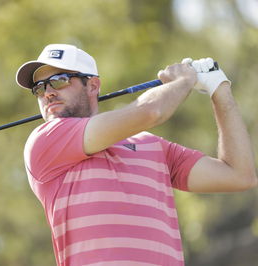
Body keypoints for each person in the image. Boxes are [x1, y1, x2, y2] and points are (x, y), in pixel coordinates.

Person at [15, 44, 257, 266]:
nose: (47, 93)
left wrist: (220, 90)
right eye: (39, 88)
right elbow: (151, 111)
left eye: (58, 81)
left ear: (93, 86)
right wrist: (183, 81)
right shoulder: (45, 141)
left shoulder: (153, 146)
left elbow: (239, 175)